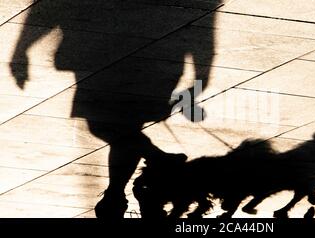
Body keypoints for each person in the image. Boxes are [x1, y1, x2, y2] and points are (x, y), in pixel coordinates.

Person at [10, 0, 215, 218]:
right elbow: (204, 22)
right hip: (154, 58)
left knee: (105, 126)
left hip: (102, 51)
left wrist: (22, 50)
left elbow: (50, 7)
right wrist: (202, 77)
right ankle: (119, 190)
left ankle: (143, 171)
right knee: (122, 129)